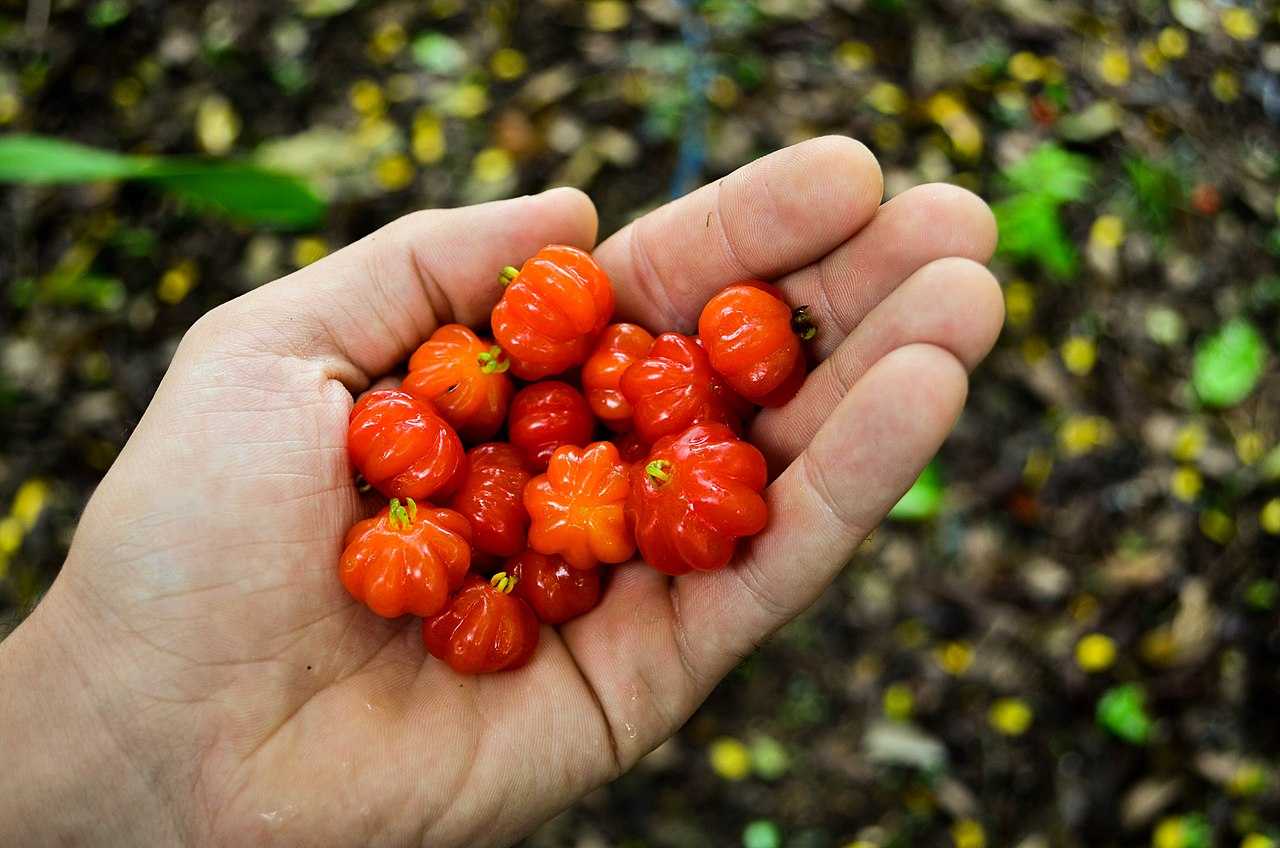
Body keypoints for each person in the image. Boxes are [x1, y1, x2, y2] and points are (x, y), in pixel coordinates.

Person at [0, 137, 1002, 846]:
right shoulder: (472, 459)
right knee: (564, 493)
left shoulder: (622, 416)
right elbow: (526, 471)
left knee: (583, 494)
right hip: (533, 506)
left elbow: (602, 461)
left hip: (588, 489)